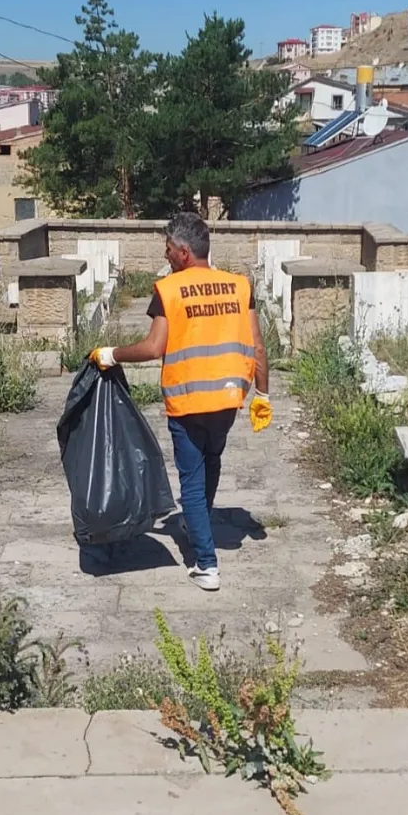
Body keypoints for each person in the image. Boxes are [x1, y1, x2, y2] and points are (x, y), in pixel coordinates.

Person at [89, 212, 272, 592]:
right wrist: (263, 393)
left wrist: (111, 354)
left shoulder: (169, 290)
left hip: (188, 400)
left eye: (169, 248)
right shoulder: (239, 286)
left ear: (185, 253)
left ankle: (206, 563)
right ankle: (197, 521)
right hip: (227, 398)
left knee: (190, 478)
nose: (166, 254)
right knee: (212, 460)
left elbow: (154, 347)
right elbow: (257, 345)